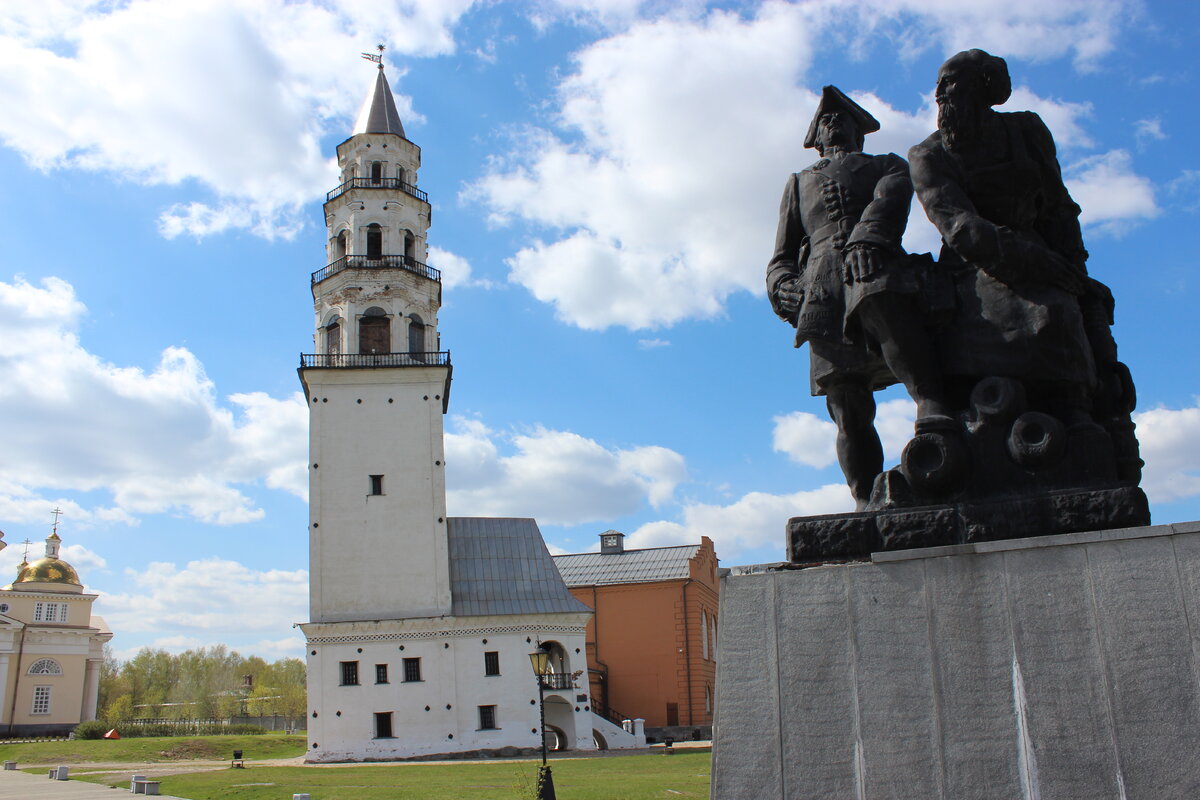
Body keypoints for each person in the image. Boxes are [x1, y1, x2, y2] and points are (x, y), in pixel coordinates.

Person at [768, 86, 947, 508]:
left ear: (858, 130)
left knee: (905, 350)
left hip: (875, 266)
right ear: (815, 136)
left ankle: (938, 426)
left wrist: (867, 240)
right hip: (823, 291)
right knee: (847, 404)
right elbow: (781, 254)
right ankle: (865, 500)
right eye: (825, 121)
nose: (833, 124)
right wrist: (781, 287)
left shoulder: (887, 165)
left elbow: (889, 204)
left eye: (842, 118)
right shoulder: (798, 183)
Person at [908, 49, 1102, 422]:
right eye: (938, 85)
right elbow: (959, 225)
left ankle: (1081, 414)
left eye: (950, 82)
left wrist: (1077, 270)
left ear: (982, 85)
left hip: (1043, 254)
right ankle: (1054, 410)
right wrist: (1037, 262)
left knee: (1077, 304)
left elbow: (1058, 207)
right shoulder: (927, 154)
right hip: (973, 266)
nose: (940, 94)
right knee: (1048, 311)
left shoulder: (1026, 131)